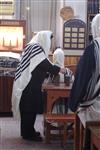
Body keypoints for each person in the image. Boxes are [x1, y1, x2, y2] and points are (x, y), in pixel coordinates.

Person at [11, 30, 66, 142]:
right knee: (29, 109)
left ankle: (28, 131)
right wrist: (60, 69)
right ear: (43, 38)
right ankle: (28, 134)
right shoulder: (35, 48)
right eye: (49, 39)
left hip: (28, 83)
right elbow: (44, 64)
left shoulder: (32, 46)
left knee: (29, 109)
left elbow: (38, 66)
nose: (49, 42)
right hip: (28, 84)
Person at [69, 14, 100, 148]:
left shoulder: (93, 48)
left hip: (96, 106)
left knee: (83, 111)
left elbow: (82, 79)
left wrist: (73, 103)